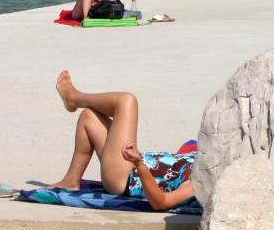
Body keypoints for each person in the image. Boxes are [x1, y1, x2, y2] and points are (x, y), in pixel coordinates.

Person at [50, 71, 195, 209]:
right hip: (133, 161)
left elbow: (162, 202)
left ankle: (73, 98)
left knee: (126, 101)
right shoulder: (211, 158)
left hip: (125, 176)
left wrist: (139, 164)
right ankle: (71, 180)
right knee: (89, 117)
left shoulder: (201, 183)